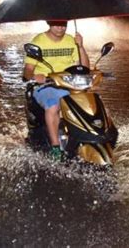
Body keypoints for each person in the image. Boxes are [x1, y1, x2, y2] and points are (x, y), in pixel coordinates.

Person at [23, 20, 89, 158]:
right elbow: (27, 71)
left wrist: (81, 47)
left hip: (69, 84)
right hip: (45, 85)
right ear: (49, 24)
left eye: (63, 24)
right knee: (53, 106)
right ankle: (55, 147)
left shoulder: (71, 40)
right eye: (56, 24)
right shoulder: (38, 41)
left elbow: (85, 67)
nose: (60, 28)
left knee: (88, 103)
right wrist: (36, 76)